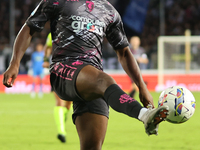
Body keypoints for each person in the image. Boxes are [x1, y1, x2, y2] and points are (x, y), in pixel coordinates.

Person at [3, 1, 169, 149]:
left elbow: (124, 52)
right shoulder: (56, 2)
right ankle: (144, 115)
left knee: (92, 146)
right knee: (105, 80)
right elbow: (29, 28)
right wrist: (14, 63)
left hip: (92, 80)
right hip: (64, 69)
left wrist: (142, 86)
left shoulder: (109, 11)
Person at [43, 32, 72, 143]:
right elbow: (47, 47)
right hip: (57, 69)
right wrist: (45, 60)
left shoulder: (76, 28)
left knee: (68, 103)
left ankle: (62, 121)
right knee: (59, 101)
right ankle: (61, 132)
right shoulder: (53, 32)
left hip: (73, 70)